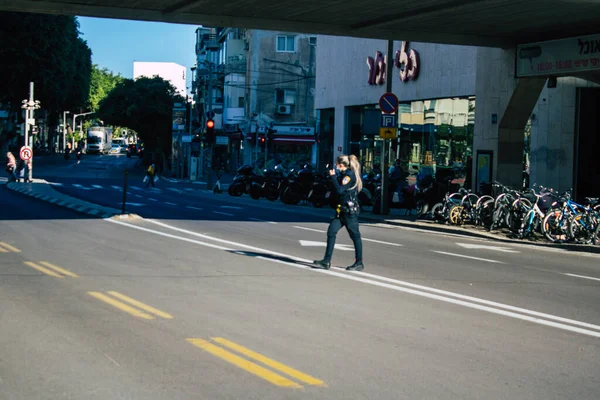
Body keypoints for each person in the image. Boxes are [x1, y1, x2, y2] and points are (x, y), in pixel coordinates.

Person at [313, 154, 364, 271]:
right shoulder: (344, 175)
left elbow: (340, 190)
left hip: (349, 212)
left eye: (336, 164)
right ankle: (326, 260)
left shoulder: (349, 176)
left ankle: (359, 263)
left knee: (355, 236)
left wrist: (333, 177)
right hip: (341, 211)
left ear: (341, 165)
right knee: (331, 231)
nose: (335, 167)